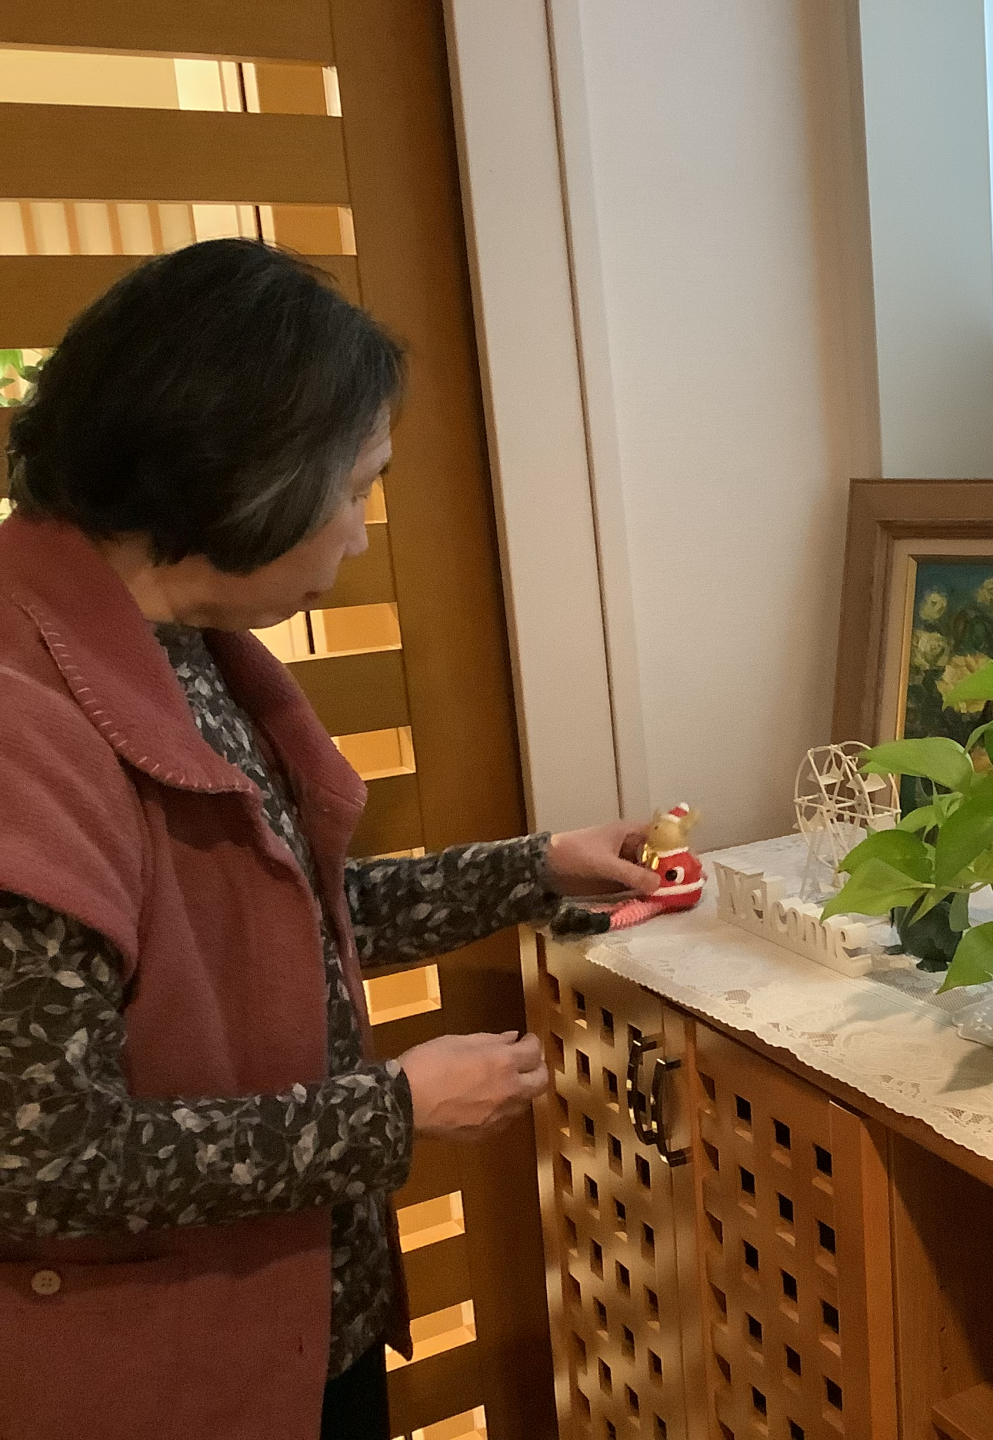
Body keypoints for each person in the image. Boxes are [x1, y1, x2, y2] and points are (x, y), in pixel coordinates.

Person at [0, 240, 661, 1440]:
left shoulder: (168, 641)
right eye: (355, 487)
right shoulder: (24, 717)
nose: (360, 534)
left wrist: (532, 868)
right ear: (242, 473)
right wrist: (392, 1112)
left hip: (300, 1313)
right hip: (154, 1371)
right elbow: (38, 1156)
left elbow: (266, 920)